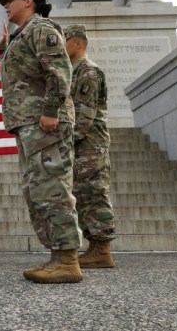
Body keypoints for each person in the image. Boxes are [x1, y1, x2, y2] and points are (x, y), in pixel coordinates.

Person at [0, 0, 82, 284]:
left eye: (10, 0)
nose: (6, 6)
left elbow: (59, 71)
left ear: (28, 1)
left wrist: (50, 110)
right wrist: (2, 51)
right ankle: (57, 256)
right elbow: (22, 74)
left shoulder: (41, 28)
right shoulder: (23, 34)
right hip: (29, 124)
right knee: (38, 191)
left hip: (44, 122)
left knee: (53, 189)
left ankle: (68, 260)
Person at [64, 24, 116, 268]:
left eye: (65, 40)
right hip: (81, 146)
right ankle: (95, 247)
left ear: (78, 43)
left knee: (94, 193)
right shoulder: (74, 71)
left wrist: (64, 141)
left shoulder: (88, 72)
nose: (61, 46)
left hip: (90, 145)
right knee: (83, 194)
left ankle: (102, 249)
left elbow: (83, 117)